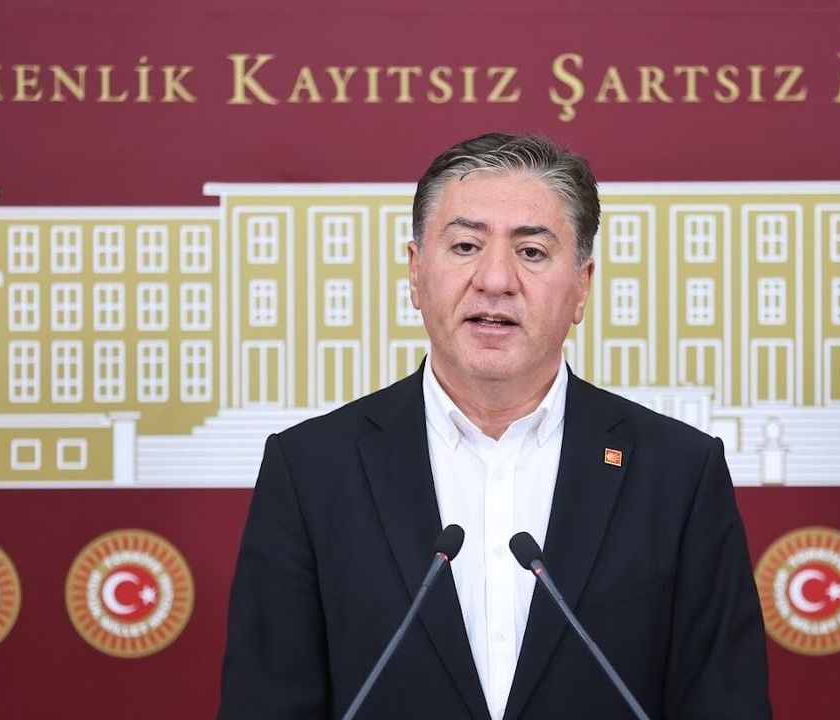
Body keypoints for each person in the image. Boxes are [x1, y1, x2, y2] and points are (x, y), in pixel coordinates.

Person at [217, 133, 771, 719]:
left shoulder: (677, 473)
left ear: (582, 286)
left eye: (531, 252)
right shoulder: (312, 471)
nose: (495, 279)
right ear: (415, 272)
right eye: (465, 246)